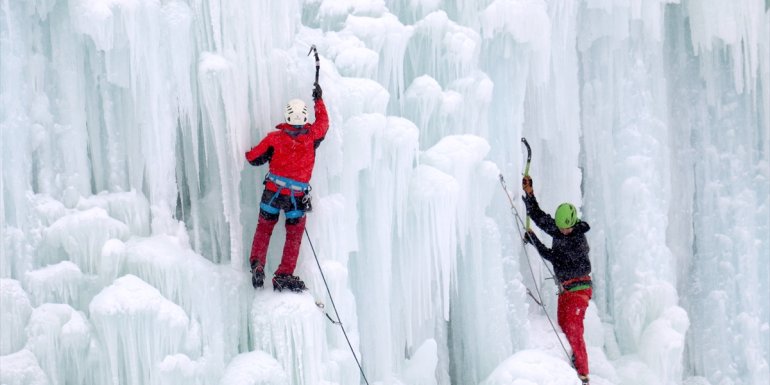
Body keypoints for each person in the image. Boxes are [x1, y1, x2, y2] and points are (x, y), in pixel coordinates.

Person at [245, 83, 328, 292]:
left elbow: (253, 158)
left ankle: (257, 264)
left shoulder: (275, 139)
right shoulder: (311, 137)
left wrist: (249, 149)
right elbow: (324, 124)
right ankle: (283, 274)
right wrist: (319, 99)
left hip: (273, 193)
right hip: (297, 198)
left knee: (264, 229)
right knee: (294, 235)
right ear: (304, 117)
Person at [521, 175, 592, 385]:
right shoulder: (561, 229)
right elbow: (540, 218)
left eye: (566, 228)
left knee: (574, 328)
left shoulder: (577, 241)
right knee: (563, 325)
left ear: (573, 223)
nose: (562, 231)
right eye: (560, 228)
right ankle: (572, 365)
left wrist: (534, 240)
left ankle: (583, 375)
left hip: (579, 290)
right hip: (566, 290)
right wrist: (529, 194)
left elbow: (554, 257)